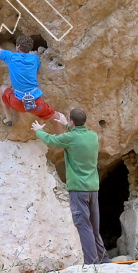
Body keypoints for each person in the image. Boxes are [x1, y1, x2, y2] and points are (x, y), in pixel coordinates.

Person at [31, 109, 110, 265]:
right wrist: (67, 125)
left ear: (72, 121)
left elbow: (52, 140)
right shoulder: (92, 136)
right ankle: (103, 259)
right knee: (94, 227)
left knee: (83, 225)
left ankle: (92, 263)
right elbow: (77, 135)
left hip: (78, 190)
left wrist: (38, 131)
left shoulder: (70, 138)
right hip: (93, 188)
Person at [0, 35, 56, 127]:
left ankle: (8, 118)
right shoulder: (35, 58)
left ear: (17, 46)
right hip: (35, 101)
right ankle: (39, 130)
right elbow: (38, 73)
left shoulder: (11, 56)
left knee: (2, 88)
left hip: (17, 102)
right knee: (48, 113)